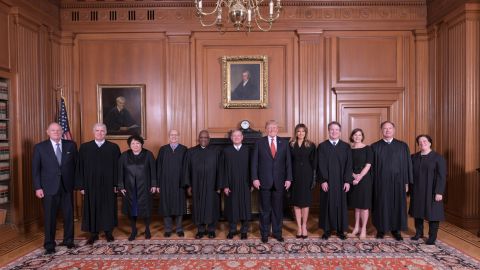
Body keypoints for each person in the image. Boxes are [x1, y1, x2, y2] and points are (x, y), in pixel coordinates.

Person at [32, 122, 78, 254]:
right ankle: (49, 244)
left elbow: (76, 166)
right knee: (49, 217)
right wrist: (38, 187)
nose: (56, 132)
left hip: (67, 186)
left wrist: (77, 184)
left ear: (62, 131)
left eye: (58, 130)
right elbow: (35, 170)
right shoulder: (40, 148)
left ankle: (69, 240)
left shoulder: (71, 145)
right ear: (48, 132)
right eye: (53, 130)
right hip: (48, 188)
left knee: (69, 215)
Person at [76, 123, 121, 244]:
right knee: (92, 206)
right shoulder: (85, 148)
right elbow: (79, 168)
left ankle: (108, 232)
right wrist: (81, 186)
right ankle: (93, 233)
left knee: (108, 207)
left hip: (109, 184)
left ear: (106, 132)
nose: (100, 133)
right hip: (90, 184)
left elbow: (118, 168)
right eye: (97, 130)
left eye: (102, 131)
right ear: (93, 132)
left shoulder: (113, 147)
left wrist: (117, 184)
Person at [251, 120, 292, 243]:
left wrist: (289, 178)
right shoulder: (259, 143)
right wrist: (255, 178)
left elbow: (288, 163)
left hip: (280, 182)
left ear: (277, 129)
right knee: (264, 209)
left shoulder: (284, 143)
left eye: (274, 127)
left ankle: (277, 233)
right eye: (269, 127)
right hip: (263, 181)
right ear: (265, 129)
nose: (272, 129)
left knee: (277, 209)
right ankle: (264, 233)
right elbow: (254, 163)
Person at [371, 121, 412, 241]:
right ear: (381, 131)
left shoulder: (402, 146)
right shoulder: (375, 146)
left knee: (397, 205)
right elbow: (371, 167)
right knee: (381, 205)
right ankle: (381, 229)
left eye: (390, 128)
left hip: (398, 182)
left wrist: (406, 182)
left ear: (394, 130)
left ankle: (396, 230)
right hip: (380, 182)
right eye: (385, 128)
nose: (387, 130)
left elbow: (407, 165)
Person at [316, 121, 352, 240]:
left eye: (336, 130)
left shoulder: (346, 146)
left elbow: (349, 165)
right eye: (332, 129)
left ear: (340, 132)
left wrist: (347, 181)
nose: (334, 132)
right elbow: (320, 164)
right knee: (327, 204)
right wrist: (323, 180)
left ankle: (341, 230)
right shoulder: (322, 146)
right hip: (328, 182)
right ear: (328, 131)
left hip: (341, 182)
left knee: (340, 205)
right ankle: (327, 230)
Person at [118, 135, 157, 241]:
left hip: (144, 187)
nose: (135, 145)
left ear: (141, 144)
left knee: (146, 209)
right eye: (133, 143)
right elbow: (120, 172)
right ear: (130, 145)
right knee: (132, 210)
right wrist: (121, 186)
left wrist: (154, 185)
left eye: (137, 143)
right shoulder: (124, 156)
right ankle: (133, 230)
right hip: (130, 188)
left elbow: (153, 170)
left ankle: (147, 229)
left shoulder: (148, 154)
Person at [183, 130, 221, 239]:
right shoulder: (191, 152)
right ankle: (200, 229)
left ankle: (211, 229)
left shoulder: (216, 152)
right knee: (198, 207)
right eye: (201, 137)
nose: (203, 139)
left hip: (212, 186)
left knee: (212, 207)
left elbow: (220, 170)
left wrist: (219, 185)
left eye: (206, 137)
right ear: (198, 139)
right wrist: (189, 185)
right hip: (197, 185)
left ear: (209, 139)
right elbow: (187, 170)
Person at [409, 134, 446, 245]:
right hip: (417, 189)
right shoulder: (414, 157)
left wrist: (439, 192)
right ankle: (419, 233)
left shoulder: (438, 158)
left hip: (432, 190)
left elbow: (442, 176)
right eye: (420, 142)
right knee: (418, 212)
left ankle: (432, 236)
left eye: (425, 141)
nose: (422, 143)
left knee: (433, 214)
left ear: (430, 143)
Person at [220, 129, 252, 240]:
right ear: (231, 138)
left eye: (239, 135)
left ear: (242, 137)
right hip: (231, 183)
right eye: (234, 135)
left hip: (245, 183)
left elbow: (252, 168)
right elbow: (222, 169)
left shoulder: (248, 150)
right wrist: (225, 185)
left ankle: (244, 230)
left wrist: (252, 182)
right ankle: (232, 229)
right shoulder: (226, 151)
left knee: (245, 206)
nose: (237, 137)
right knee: (232, 207)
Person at [156, 129, 188, 238]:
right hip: (165, 183)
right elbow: (158, 167)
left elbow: (187, 168)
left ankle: (179, 229)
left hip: (179, 183)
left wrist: (186, 183)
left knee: (179, 206)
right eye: (171, 135)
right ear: (169, 136)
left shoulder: (184, 149)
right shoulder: (163, 149)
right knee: (166, 206)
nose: (173, 136)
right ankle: (168, 229)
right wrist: (158, 184)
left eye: (175, 135)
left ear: (179, 136)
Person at [289, 124, 316, 239]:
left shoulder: (311, 145)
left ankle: (304, 226)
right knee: (296, 202)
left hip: (307, 176)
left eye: (303, 131)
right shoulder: (290, 145)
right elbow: (288, 162)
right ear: (295, 132)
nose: (300, 133)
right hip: (294, 176)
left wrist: (314, 178)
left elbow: (314, 163)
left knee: (305, 203)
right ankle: (299, 227)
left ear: (306, 133)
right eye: (298, 131)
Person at [347, 128, 373, 239]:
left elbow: (368, 164)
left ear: (362, 136)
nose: (357, 137)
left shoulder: (368, 148)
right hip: (353, 179)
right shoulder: (349, 149)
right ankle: (356, 228)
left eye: (359, 135)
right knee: (356, 206)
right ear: (352, 137)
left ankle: (363, 229)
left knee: (364, 205)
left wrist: (359, 177)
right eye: (355, 135)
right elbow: (347, 165)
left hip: (364, 179)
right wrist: (353, 176)